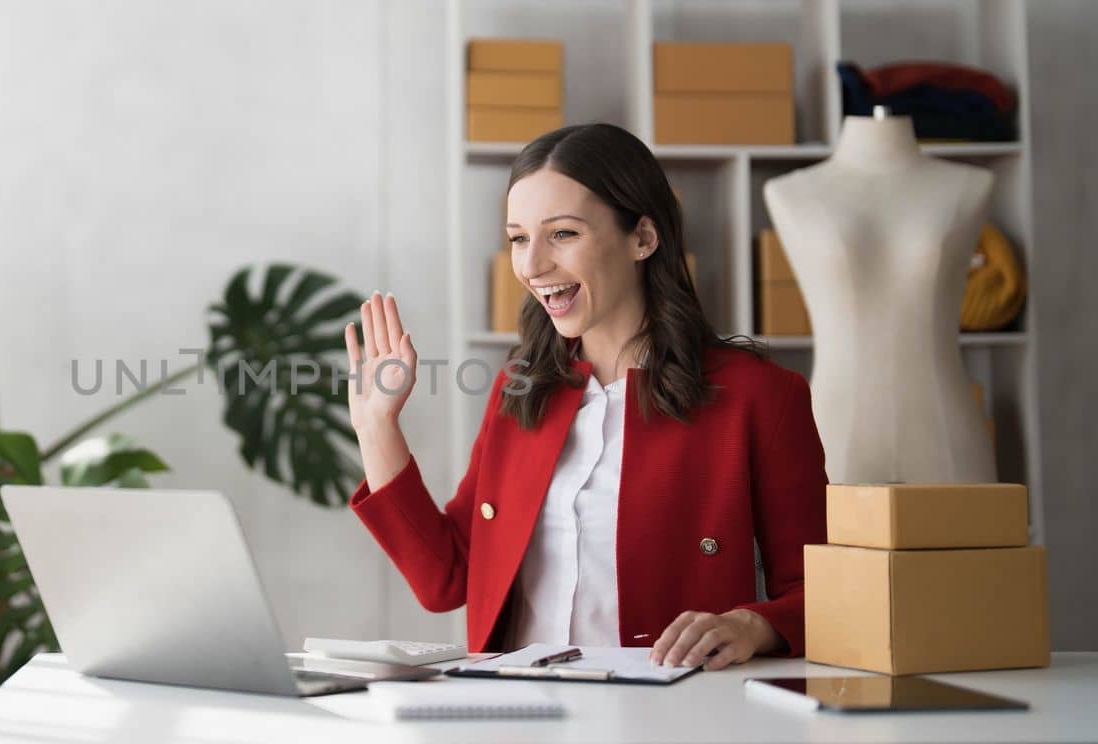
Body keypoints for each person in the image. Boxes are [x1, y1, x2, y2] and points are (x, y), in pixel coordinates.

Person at [342, 123, 828, 671]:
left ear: (643, 237)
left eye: (563, 234)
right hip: (518, 716)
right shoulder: (520, 387)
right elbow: (447, 578)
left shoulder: (758, 396)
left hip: (674, 716)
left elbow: (827, 593)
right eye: (519, 238)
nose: (531, 266)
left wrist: (752, 625)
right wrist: (377, 427)